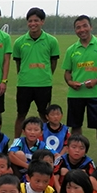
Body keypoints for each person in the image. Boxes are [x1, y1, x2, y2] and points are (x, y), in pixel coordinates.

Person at [63, 15, 97, 163]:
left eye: (85, 26)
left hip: (96, 93)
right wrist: (70, 82)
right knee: (76, 127)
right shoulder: (71, 49)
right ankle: (76, 155)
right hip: (76, 95)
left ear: (91, 27)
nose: (82, 30)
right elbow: (67, 72)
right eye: (78, 27)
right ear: (75, 30)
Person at [12, 8, 60, 138]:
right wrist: (24, 75)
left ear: (42, 21)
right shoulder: (19, 42)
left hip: (43, 84)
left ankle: (46, 142)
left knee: (45, 116)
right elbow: (18, 63)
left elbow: (53, 62)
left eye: (36, 20)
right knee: (21, 115)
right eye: (30, 21)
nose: (33, 23)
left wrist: (45, 74)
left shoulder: (51, 41)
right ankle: (17, 142)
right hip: (24, 84)